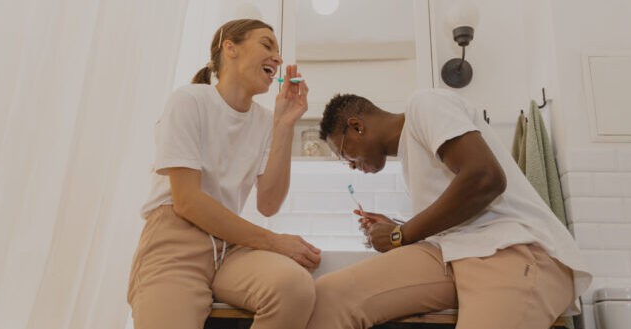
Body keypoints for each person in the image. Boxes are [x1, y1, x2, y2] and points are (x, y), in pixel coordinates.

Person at [307, 89, 591, 329]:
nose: (351, 166)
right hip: (458, 254)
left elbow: (485, 177)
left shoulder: (425, 104)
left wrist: (399, 234)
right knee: (329, 296)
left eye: (346, 154)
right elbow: (455, 220)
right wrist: (397, 226)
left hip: (513, 248)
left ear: (357, 126)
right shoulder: (411, 160)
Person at [127, 19, 321, 329]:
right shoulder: (190, 101)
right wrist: (275, 242)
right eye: (266, 45)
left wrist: (284, 126)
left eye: (278, 51)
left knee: (293, 288)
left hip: (229, 246)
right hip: (176, 242)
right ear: (230, 48)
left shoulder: (265, 121)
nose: (278, 58)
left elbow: (268, 204)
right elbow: (187, 202)